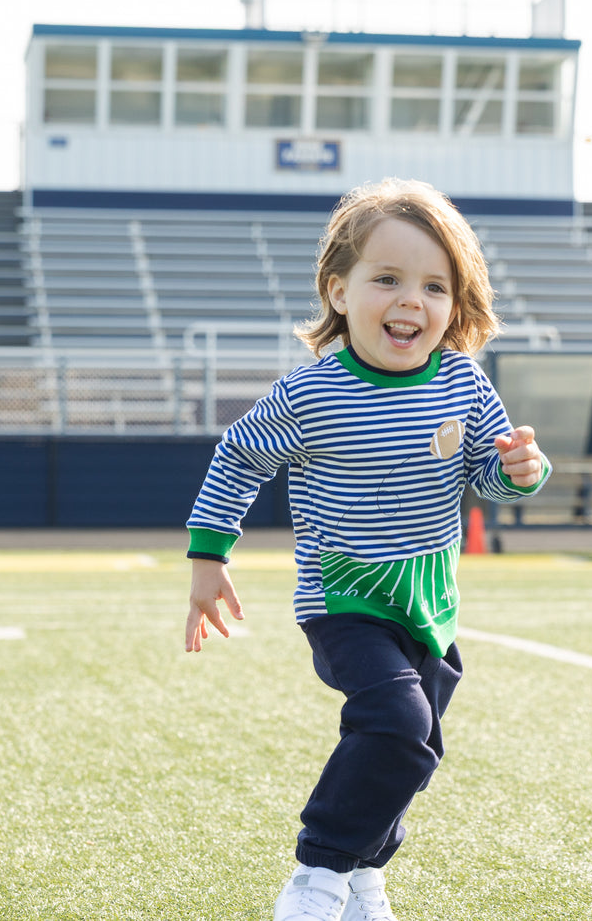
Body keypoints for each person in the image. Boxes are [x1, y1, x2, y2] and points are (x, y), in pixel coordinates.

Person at [183, 178, 550, 921]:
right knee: (397, 723)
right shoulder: (311, 394)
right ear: (339, 291)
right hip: (344, 598)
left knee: (416, 747)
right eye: (387, 279)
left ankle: (363, 877)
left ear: (455, 305)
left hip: (429, 604)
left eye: (434, 286)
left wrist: (521, 471)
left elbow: (486, 473)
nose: (411, 300)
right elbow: (238, 458)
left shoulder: (463, 383)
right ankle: (317, 874)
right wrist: (208, 558)